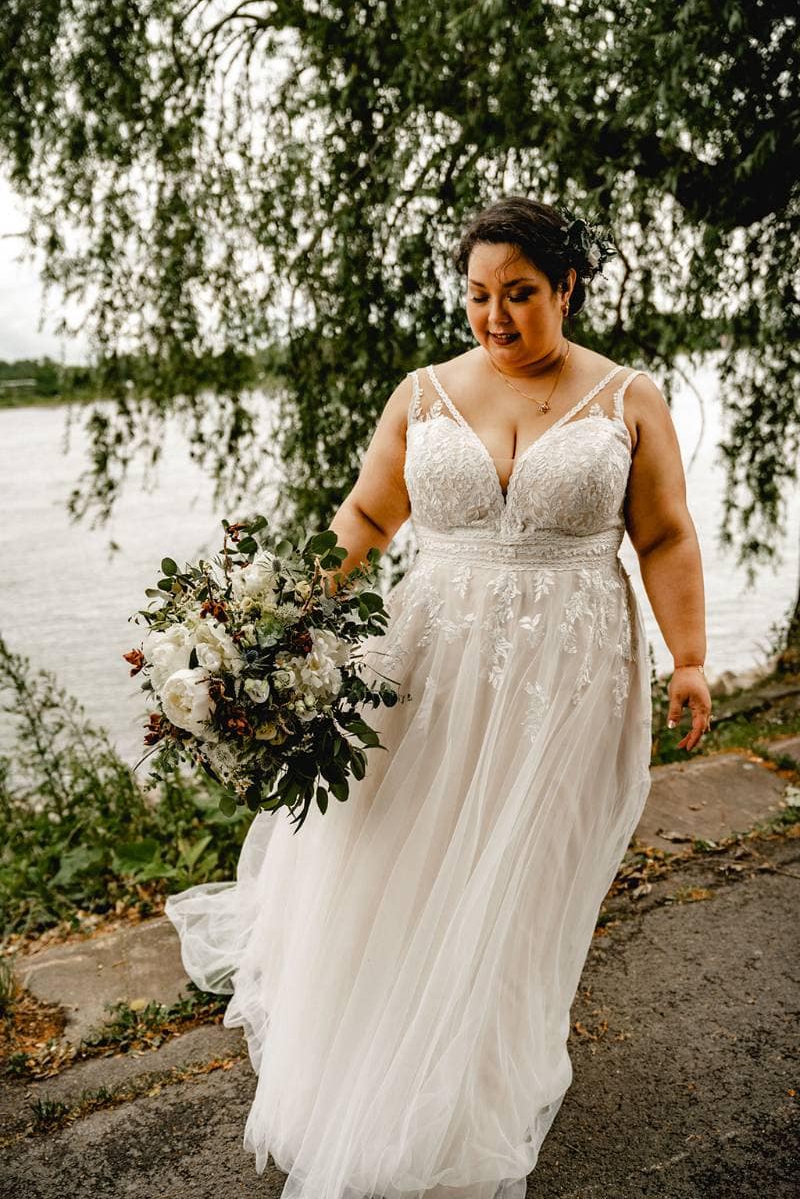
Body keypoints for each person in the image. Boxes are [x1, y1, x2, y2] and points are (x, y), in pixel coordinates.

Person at [164, 195, 712, 1199]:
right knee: (391, 850)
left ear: (566, 288)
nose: (495, 318)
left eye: (519, 296)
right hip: (424, 662)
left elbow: (665, 536)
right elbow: (368, 513)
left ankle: (469, 1072)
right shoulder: (421, 393)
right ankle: (370, 1052)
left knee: (516, 873)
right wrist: (274, 627)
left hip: (566, 678)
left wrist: (686, 657)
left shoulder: (628, 398)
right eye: (477, 296)